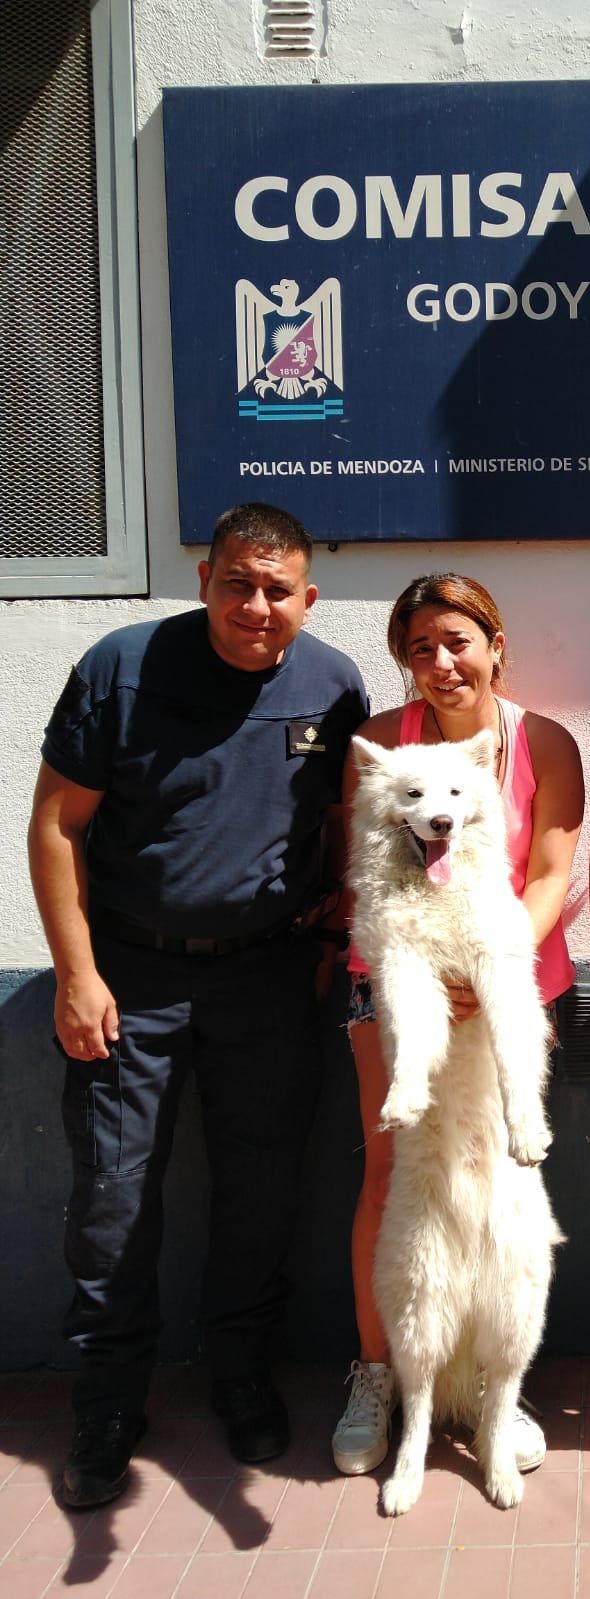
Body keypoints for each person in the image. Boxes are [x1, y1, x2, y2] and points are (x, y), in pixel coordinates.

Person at [27, 503, 369, 1510]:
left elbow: (342, 820)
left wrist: (330, 928)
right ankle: (107, 1407)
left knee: (261, 1190)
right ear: (205, 580)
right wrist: (76, 973)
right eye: (237, 584)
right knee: (114, 1200)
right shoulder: (122, 670)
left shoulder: (332, 685)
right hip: (129, 979)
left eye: (278, 590)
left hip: (269, 978)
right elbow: (56, 825)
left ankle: (242, 1376)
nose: (256, 607)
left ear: (308, 597)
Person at [330, 573, 583, 1476]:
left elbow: (550, 874)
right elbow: (372, 869)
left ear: (494, 644)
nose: (441, 663)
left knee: (503, 1183)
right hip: (395, 984)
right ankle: (379, 1374)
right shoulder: (382, 746)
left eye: (457, 642)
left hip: (507, 976)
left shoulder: (543, 743)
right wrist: (430, 978)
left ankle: (490, 1389)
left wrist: (484, 968)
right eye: (421, 648)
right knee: (393, 1175)